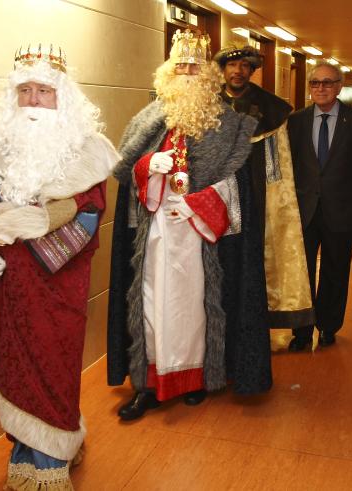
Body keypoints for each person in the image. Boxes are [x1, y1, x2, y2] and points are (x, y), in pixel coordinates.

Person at [0, 46, 118, 490]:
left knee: (52, 370)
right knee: (10, 368)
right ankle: (24, 454)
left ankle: (51, 462)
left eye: (44, 91)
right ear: (13, 97)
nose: (35, 100)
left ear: (63, 98)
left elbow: (90, 213)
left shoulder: (87, 151)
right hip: (3, 285)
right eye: (26, 91)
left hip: (56, 285)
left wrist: (26, 229)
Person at [106, 30, 264, 421]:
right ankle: (148, 385)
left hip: (201, 234)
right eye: (180, 67)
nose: (187, 73)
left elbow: (240, 188)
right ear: (167, 73)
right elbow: (126, 174)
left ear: (208, 75)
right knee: (150, 306)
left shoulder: (230, 125)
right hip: (154, 233)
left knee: (195, 308)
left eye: (194, 67)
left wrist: (198, 206)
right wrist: (147, 169)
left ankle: (196, 379)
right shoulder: (146, 120)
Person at [213, 44, 315, 331]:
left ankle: (257, 325)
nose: (238, 71)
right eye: (232, 66)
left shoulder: (271, 109)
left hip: (257, 195)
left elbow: (277, 164)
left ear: (252, 71)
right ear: (223, 70)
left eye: (245, 66)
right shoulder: (207, 105)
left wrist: (274, 204)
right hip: (216, 195)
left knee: (255, 258)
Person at [286, 62, 352, 351]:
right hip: (305, 209)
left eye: (327, 83)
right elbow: (292, 163)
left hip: (341, 209)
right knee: (303, 272)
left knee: (336, 272)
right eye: (315, 83)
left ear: (339, 86)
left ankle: (328, 327)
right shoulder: (295, 121)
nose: (320, 88)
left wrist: (338, 188)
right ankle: (301, 331)